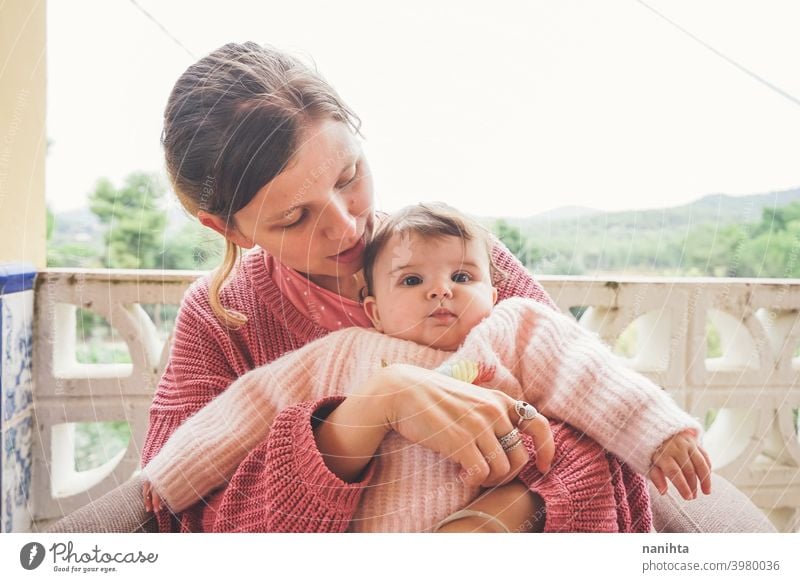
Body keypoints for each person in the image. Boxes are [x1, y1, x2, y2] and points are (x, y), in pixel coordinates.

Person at [141, 41, 770, 534]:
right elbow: (181, 513)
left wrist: (484, 524)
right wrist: (370, 409)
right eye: (293, 218)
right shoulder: (221, 319)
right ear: (225, 227)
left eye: (350, 175)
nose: (346, 223)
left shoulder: (458, 262)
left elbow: (590, 422)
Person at [141, 203, 709, 533]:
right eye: (413, 282)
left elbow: (588, 377)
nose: (442, 290)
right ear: (373, 308)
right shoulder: (345, 353)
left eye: (463, 278)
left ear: (494, 287)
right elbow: (247, 412)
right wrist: (169, 477)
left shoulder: (512, 330)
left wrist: (659, 434)